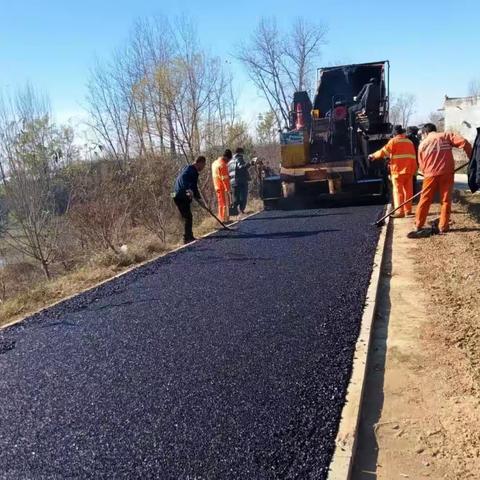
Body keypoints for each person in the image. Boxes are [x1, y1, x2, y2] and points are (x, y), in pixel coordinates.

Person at [408, 123, 472, 238]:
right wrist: (472, 157)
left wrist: (427, 171)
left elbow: (421, 165)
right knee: (445, 200)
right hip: (447, 173)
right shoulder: (446, 136)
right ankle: (443, 226)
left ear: (425, 132)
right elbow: (464, 142)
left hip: (429, 175)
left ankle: (418, 224)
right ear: (435, 130)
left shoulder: (422, 144)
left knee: (425, 199)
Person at [369, 125, 417, 218]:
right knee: (408, 191)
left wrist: (373, 156)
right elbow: (413, 156)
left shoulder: (393, 141)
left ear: (394, 134)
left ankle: (400, 212)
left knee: (398, 191)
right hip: (409, 170)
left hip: (397, 171)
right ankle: (408, 211)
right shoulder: (409, 142)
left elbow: (384, 152)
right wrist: (415, 169)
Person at [172, 156, 207, 244]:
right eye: (203, 165)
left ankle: (189, 236)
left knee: (186, 216)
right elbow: (191, 185)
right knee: (188, 217)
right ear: (200, 163)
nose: (203, 168)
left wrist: (198, 198)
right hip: (181, 194)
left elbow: (193, 187)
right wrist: (189, 189)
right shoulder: (193, 171)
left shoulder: (186, 167)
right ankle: (187, 238)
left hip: (174, 194)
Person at [228, 147, 252, 215]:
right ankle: (241, 210)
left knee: (236, 197)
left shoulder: (230, 161)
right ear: (240, 153)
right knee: (243, 196)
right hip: (241, 181)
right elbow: (241, 167)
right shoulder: (239, 159)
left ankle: (234, 212)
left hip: (233, 181)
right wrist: (249, 164)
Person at [211, 149, 232, 222]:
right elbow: (224, 179)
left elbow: (219, 176)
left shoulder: (214, 163)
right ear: (226, 157)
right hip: (223, 187)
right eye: (228, 160)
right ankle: (225, 220)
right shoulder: (223, 165)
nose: (228, 162)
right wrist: (228, 189)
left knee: (220, 203)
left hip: (217, 186)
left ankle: (221, 218)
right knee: (225, 204)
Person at [407, 126, 421, 194]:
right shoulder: (416, 139)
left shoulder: (405, 138)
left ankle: (409, 195)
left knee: (407, 180)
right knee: (413, 179)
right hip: (414, 162)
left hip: (406, 162)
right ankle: (413, 194)